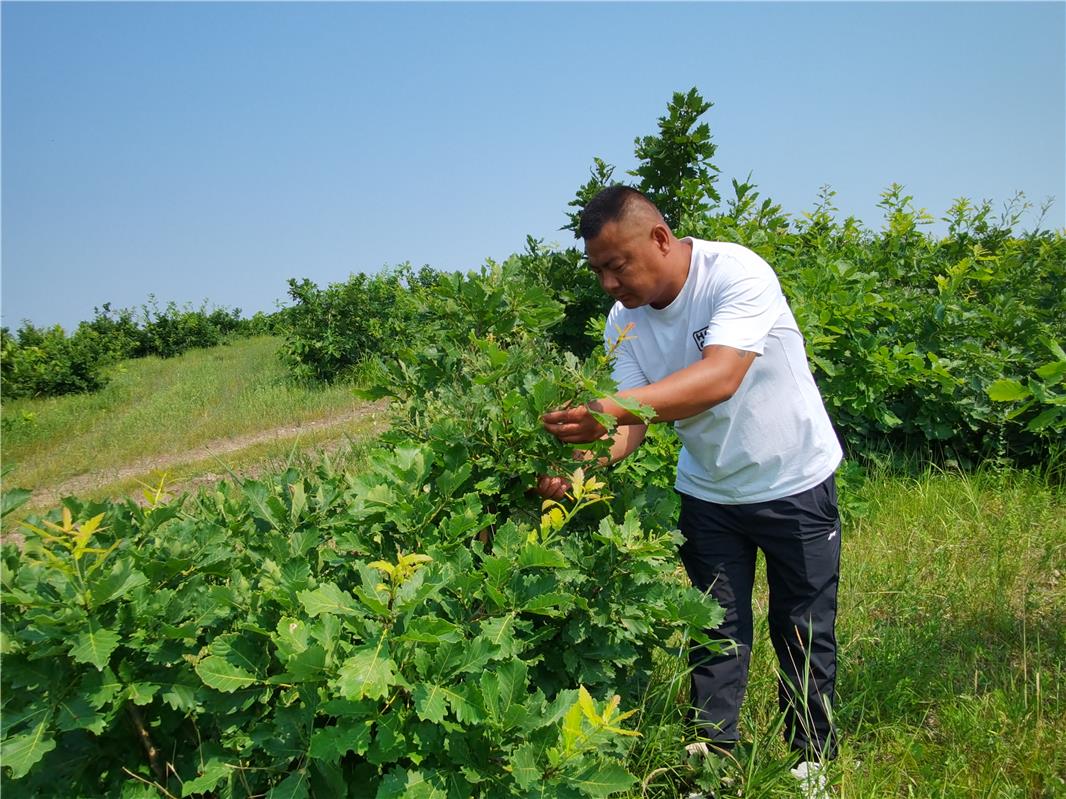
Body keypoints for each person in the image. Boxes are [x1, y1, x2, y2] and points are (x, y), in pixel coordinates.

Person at [539, 186, 843, 793]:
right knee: (715, 629)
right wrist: (579, 472)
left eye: (616, 265)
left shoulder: (735, 273)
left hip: (793, 480)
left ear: (659, 238)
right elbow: (632, 427)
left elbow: (721, 376)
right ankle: (711, 759)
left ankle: (811, 758)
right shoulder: (622, 323)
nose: (608, 283)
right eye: (597, 270)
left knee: (803, 624)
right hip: (708, 493)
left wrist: (607, 407)